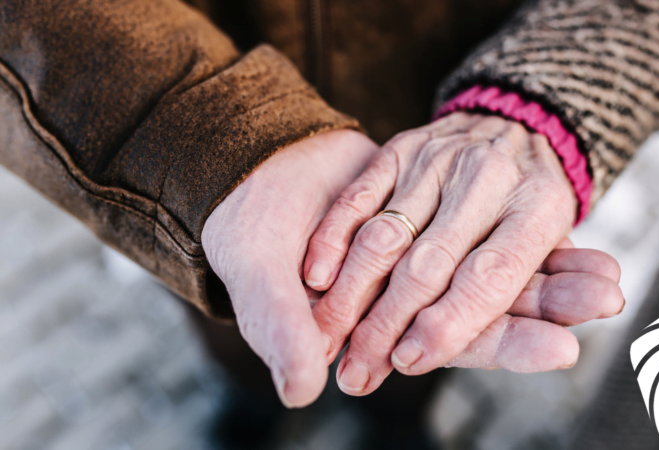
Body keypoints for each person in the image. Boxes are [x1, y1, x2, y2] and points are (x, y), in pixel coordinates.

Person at [0, 0, 624, 413]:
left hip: (454, 78)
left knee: (435, 320)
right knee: (237, 317)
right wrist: (208, 137)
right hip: (194, 143)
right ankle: (249, 401)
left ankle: (399, 423)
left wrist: (533, 97)